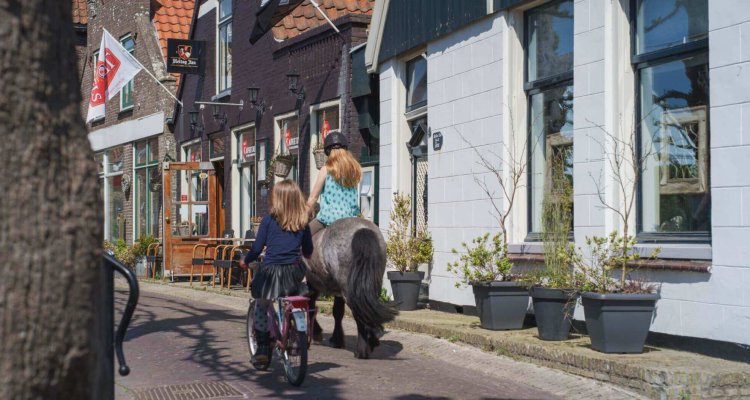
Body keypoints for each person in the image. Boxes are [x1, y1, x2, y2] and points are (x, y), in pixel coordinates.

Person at [240, 180, 313, 365]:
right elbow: (308, 250)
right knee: (293, 302)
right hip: (293, 273)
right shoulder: (303, 223)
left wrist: (245, 260)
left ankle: (263, 348)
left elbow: (257, 248)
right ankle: (295, 337)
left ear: (277, 199)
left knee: (261, 305)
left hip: (271, 273)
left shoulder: (268, 221)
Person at [307, 130, 362, 236]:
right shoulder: (354, 170)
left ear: (328, 151)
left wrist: (303, 216)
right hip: (350, 219)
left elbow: (313, 198)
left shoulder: (326, 170)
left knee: (303, 237)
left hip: (328, 218)